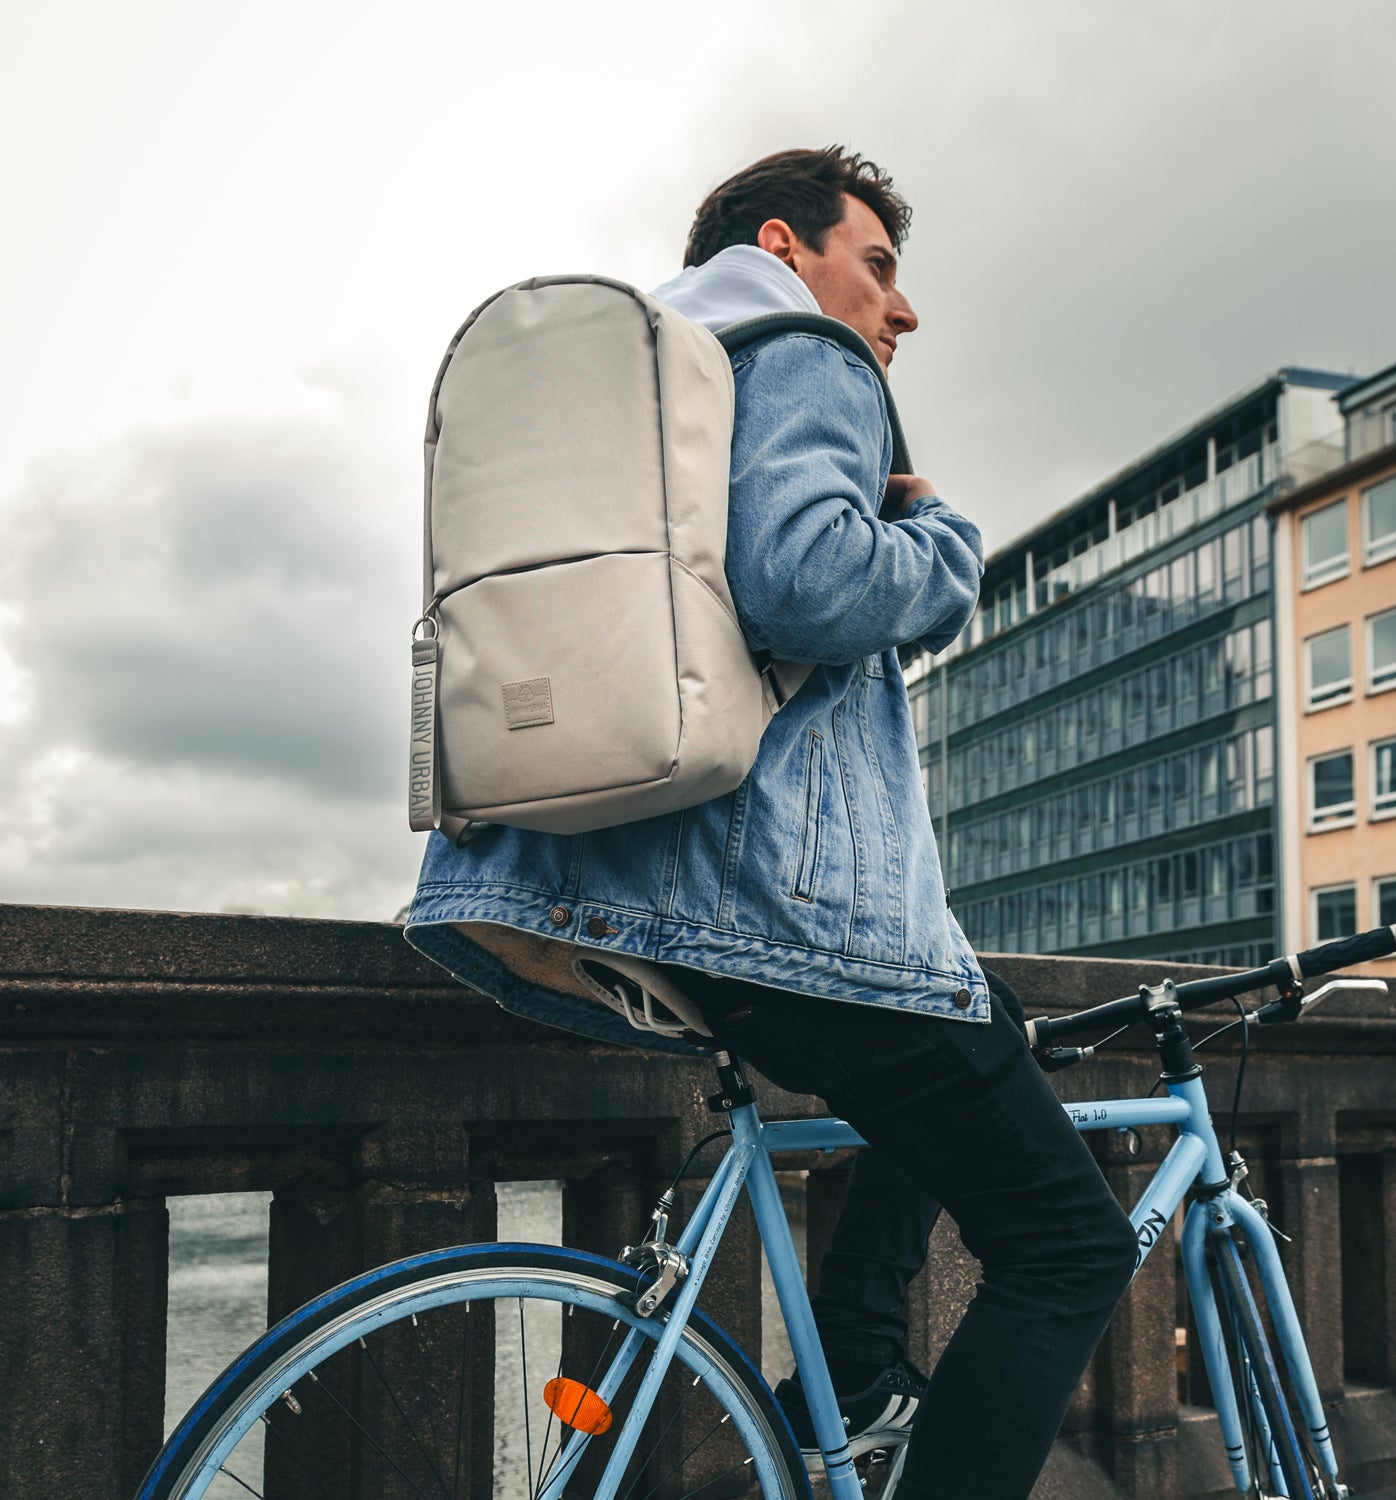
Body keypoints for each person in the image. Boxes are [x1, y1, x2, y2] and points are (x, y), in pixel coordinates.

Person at [405, 146, 1137, 1500]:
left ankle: (854, 1378)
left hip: (579, 877)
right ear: (788, 245)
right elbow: (806, 584)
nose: (899, 312)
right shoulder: (800, 347)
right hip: (767, 903)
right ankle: (858, 1384)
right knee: (1070, 1246)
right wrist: (942, 543)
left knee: (955, 1065)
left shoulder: (631, 379)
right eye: (882, 267)